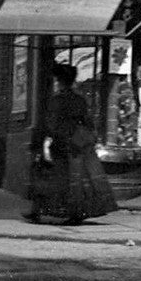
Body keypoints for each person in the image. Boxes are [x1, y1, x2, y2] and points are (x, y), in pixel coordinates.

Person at [24, 63, 118, 225]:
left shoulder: (57, 101)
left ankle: (42, 212)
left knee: (52, 179)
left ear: (59, 81)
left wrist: (45, 143)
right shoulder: (79, 100)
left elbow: (51, 124)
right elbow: (88, 121)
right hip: (79, 144)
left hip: (61, 144)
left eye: (56, 80)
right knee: (80, 181)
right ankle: (75, 213)